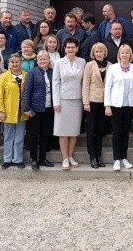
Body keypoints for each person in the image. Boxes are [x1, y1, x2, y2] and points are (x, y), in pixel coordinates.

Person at [104, 44, 133, 171]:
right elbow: (107, 87)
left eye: (127, 53)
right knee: (117, 132)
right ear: (119, 54)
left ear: (130, 54)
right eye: (122, 53)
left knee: (125, 132)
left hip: (130, 105)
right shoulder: (113, 68)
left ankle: (124, 158)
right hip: (116, 105)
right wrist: (107, 105)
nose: (124, 55)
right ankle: (116, 159)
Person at [52, 37, 86, 170]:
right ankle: (64, 158)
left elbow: (84, 82)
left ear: (77, 48)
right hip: (63, 100)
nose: (70, 49)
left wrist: (85, 100)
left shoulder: (82, 61)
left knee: (73, 130)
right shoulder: (59, 63)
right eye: (68, 47)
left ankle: (70, 156)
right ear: (64, 49)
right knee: (63, 131)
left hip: (77, 99)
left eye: (73, 47)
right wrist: (56, 102)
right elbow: (55, 83)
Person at [22, 50, 55, 170]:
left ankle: (42, 158)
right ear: (37, 61)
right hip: (35, 108)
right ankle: (34, 159)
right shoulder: (32, 72)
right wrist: (26, 108)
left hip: (48, 108)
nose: (42, 61)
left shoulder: (52, 72)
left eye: (45, 59)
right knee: (34, 135)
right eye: (40, 59)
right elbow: (27, 91)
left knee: (45, 134)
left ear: (49, 60)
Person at [0, 54, 28, 169]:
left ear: (21, 63)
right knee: (8, 136)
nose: (15, 64)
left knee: (20, 136)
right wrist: (0, 110)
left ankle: (18, 159)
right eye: (12, 62)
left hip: (22, 111)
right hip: (8, 111)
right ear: (9, 63)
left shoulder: (26, 75)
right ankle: (7, 159)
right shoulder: (4, 76)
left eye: (17, 62)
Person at [82, 42, 111, 169]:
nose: (99, 54)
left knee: (100, 130)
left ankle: (99, 155)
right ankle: (92, 156)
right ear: (93, 53)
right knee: (91, 130)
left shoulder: (110, 66)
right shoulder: (89, 65)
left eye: (101, 51)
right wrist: (85, 102)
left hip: (105, 102)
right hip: (92, 101)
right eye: (96, 52)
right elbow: (85, 84)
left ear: (105, 52)